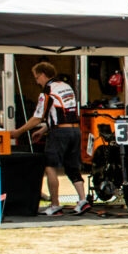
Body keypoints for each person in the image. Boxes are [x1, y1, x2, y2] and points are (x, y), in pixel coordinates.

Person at [11, 61, 87, 215]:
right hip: (75, 131)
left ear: (44, 75)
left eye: (37, 77)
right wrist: (45, 129)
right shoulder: (66, 87)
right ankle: (82, 200)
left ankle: (55, 204)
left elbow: (37, 117)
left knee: (50, 166)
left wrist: (19, 131)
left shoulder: (47, 92)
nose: (36, 80)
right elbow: (62, 113)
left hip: (59, 134)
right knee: (72, 167)